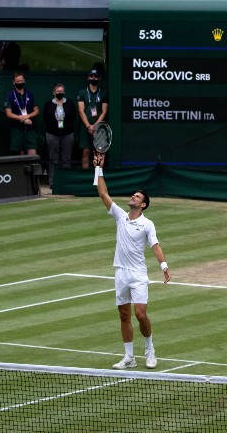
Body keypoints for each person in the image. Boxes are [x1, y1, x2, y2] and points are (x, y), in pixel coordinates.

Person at [93, 150, 172, 370]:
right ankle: (129, 357)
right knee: (124, 315)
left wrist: (164, 266)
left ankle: (150, 349)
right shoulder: (120, 216)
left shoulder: (147, 224)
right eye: (134, 195)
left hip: (138, 274)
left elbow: (155, 246)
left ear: (143, 205)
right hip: (120, 272)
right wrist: (98, 167)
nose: (133, 197)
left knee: (140, 313)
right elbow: (103, 193)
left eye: (137, 197)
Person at [43, 82, 77, 177]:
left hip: (67, 134)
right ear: (54, 92)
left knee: (66, 159)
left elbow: (73, 116)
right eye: (58, 91)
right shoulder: (48, 104)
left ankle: (65, 181)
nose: (60, 93)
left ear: (64, 92)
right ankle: (53, 182)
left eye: (61, 91)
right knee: (53, 159)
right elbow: (45, 118)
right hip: (52, 134)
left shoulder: (69, 103)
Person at [5, 71, 41, 156]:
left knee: (32, 152)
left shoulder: (30, 94)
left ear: (24, 80)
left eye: (21, 81)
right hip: (17, 129)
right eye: (17, 81)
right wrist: (21, 118)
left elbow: (36, 110)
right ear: (13, 82)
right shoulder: (10, 95)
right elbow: (8, 113)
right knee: (20, 154)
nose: (20, 83)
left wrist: (28, 116)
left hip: (30, 128)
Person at [76, 71, 106, 170]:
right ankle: (86, 176)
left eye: (95, 77)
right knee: (86, 151)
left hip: (99, 127)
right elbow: (81, 111)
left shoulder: (103, 93)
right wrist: (88, 126)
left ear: (99, 78)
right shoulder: (82, 92)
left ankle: (98, 177)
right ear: (88, 77)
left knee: (99, 152)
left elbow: (104, 111)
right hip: (86, 127)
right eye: (91, 76)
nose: (93, 78)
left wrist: (96, 126)